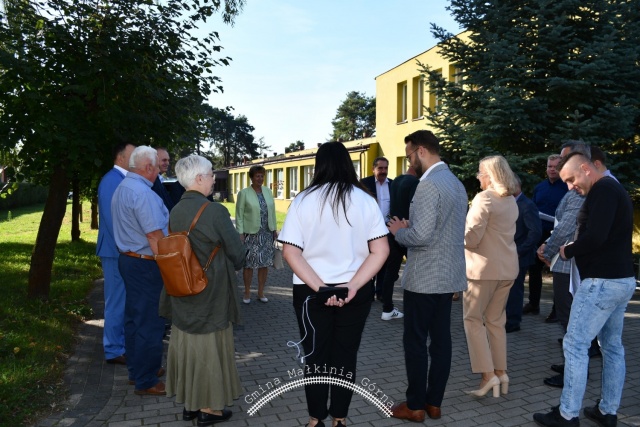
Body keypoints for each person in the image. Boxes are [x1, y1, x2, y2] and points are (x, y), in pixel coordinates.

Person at [279, 142, 389, 427]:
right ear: (347, 164)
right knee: (345, 355)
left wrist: (321, 288)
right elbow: (381, 251)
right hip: (356, 290)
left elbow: (290, 252)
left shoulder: (302, 200)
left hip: (310, 292)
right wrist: (352, 287)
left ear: (319, 165)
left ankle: (315, 419)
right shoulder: (366, 200)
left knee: (315, 356)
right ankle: (339, 418)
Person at [533, 152, 635, 427]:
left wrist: (567, 250)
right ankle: (607, 411)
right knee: (611, 346)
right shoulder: (614, 188)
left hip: (601, 283)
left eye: (571, 179)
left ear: (586, 169)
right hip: (621, 280)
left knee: (575, 345)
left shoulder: (603, 189)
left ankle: (567, 414)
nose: (570, 186)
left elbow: (595, 236)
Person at [387, 130, 467, 422]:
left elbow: (421, 236)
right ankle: (434, 403)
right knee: (442, 342)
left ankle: (415, 406)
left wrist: (399, 231)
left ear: (421, 151)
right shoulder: (456, 183)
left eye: (409, 155)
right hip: (448, 276)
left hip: (424, 278)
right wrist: (414, 226)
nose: (410, 162)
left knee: (416, 342)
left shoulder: (428, 184)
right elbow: (442, 229)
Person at [159, 155, 246, 426]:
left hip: (182, 287)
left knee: (186, 346)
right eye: (210, 174)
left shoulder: (175, 210)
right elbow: (238, 255)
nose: (213, 179)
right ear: (198, 179)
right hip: (211, 292)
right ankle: (209, 409)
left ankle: (191, 404)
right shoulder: (214, 211)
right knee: (210, 349)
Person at [112, 145, 168, 396]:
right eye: (157, 167)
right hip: (146, 263)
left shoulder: (123, 187)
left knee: (135, 319)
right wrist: (170, 267)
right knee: (150, 322)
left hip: (129, 260)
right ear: (148, 167)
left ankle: (138, 371)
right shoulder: (143, 193)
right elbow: (155, 236)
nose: (159, 172)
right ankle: (146, 379)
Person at [462, 155, 519, 398]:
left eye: (480, 173)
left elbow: (472, 237)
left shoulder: (484, 198)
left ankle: (488, 376)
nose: (478, 177)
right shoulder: (511, 199)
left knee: (473, 320)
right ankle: (501, 372)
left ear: (491, 175)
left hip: (482, 270)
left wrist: (455, 237)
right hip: (507, 269)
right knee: (496, 321)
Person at [538, 141, 590, 389]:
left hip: (568, 264)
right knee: (567, 317)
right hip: (565, 261)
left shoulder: (579, 191)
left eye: (563, 159)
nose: (559, 164)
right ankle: (572, 364)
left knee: (569, 317)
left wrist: (547, 249)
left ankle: (574, 371)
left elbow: (567, 227)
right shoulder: (575, 189)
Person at [96, 142, 135, 365]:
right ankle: (113, 349)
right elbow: (113, 220)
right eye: (132, 155)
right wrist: (127, 246)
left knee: (121, 300)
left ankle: (119, 345)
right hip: (115, 251)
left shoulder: (120, 179)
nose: (136, 158)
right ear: (120, 158)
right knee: (116, 301)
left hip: (119, 249)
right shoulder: (112, 180)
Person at [525, 154, 567, 319]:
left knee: (557, 272)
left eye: (556, 167)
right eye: (550, 166)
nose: (552, 170)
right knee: (534, 270)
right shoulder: (540, 187)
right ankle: (533, 304)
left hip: (558, 235)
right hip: (539, 233)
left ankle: (557, 310)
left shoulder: (567, 188)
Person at [379, 166, 419, 320]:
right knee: (414, 272)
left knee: (390, 272)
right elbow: (414, 208)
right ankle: (414, 309)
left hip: (393, 230)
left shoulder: (395, 181)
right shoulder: (415, 183)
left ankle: (387, 309)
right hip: (407, 230)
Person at [235, 165, 277, 304]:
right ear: (252, 178)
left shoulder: (268, 191)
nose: (260, 178)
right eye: (257, 176)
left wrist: (274, 229)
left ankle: (260, 292)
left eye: (262, 176)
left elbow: (272, 212)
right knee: (248, 265)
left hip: (266, 233)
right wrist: (240, 232)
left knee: (264, 264)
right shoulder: (244, 193)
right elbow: (239, 214)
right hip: (250, 234)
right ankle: (247, 292)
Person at [505, 176, 542, 332]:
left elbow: (535, 232)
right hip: (507, 254)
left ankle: (513, 322)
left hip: (520, 255)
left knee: (515, 289)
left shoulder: (527, 205)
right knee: (506, 288)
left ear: (516, 185)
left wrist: (519, 251)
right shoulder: (508, 203)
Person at [360, 156, 392, 300]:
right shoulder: (363, 184)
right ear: (373, 169)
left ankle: (380, 292)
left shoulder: (392, 184)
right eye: (380, 168)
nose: (383, 171)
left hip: (386, 230)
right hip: (368, 230)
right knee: (368, 260)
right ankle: (368, 291)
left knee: (384, 262)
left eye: (385, 168)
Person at [151, 147, 176, 211]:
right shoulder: (152, 182)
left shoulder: (158, 180)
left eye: (168, 160)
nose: (167, 163)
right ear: (154, 160)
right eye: (164, 160)